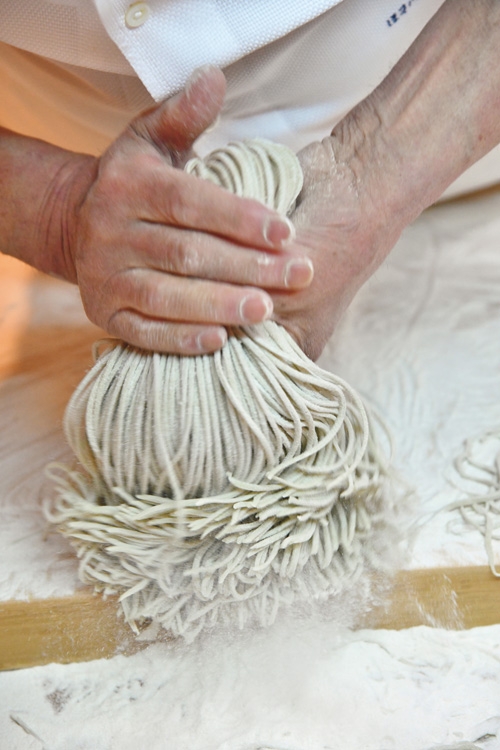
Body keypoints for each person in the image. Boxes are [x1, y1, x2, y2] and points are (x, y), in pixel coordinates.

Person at [1, 0, 500, 361]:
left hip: (446, 94)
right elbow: (55, 206)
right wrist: (56, 206)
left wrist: (376, 169)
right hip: (79, 150)